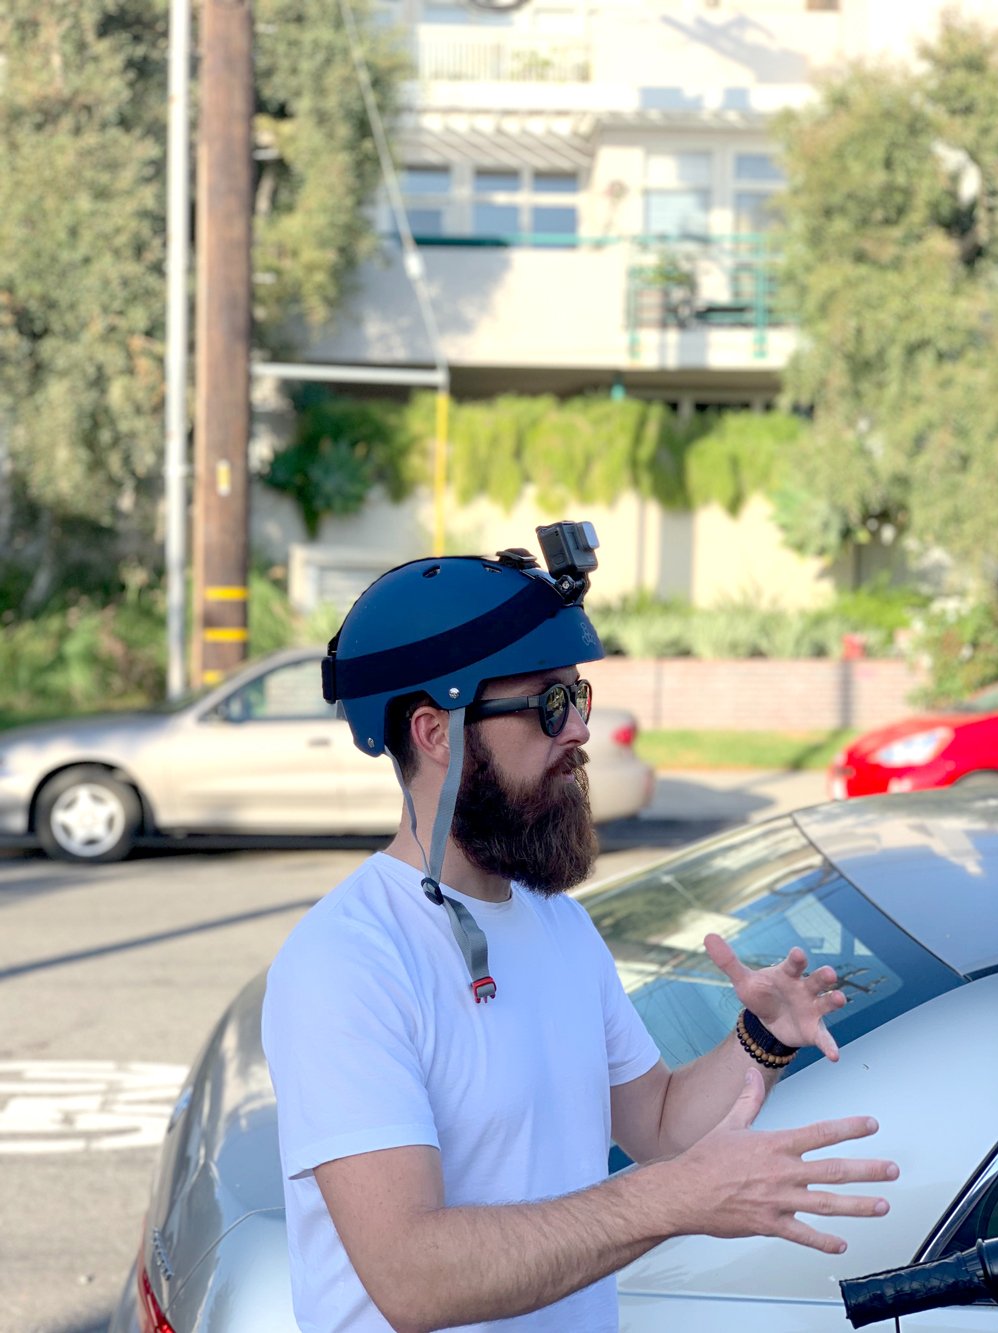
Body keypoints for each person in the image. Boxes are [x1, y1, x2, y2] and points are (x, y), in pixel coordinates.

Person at [262, 525, 898, 1333]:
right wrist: (669, 1200)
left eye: (578, 697)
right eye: (548, 704)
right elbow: (410, 1275)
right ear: (435, 732)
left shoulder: (555, 921)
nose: (579, 731)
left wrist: (761, 1037)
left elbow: (660, 1128)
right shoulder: (345, 962)